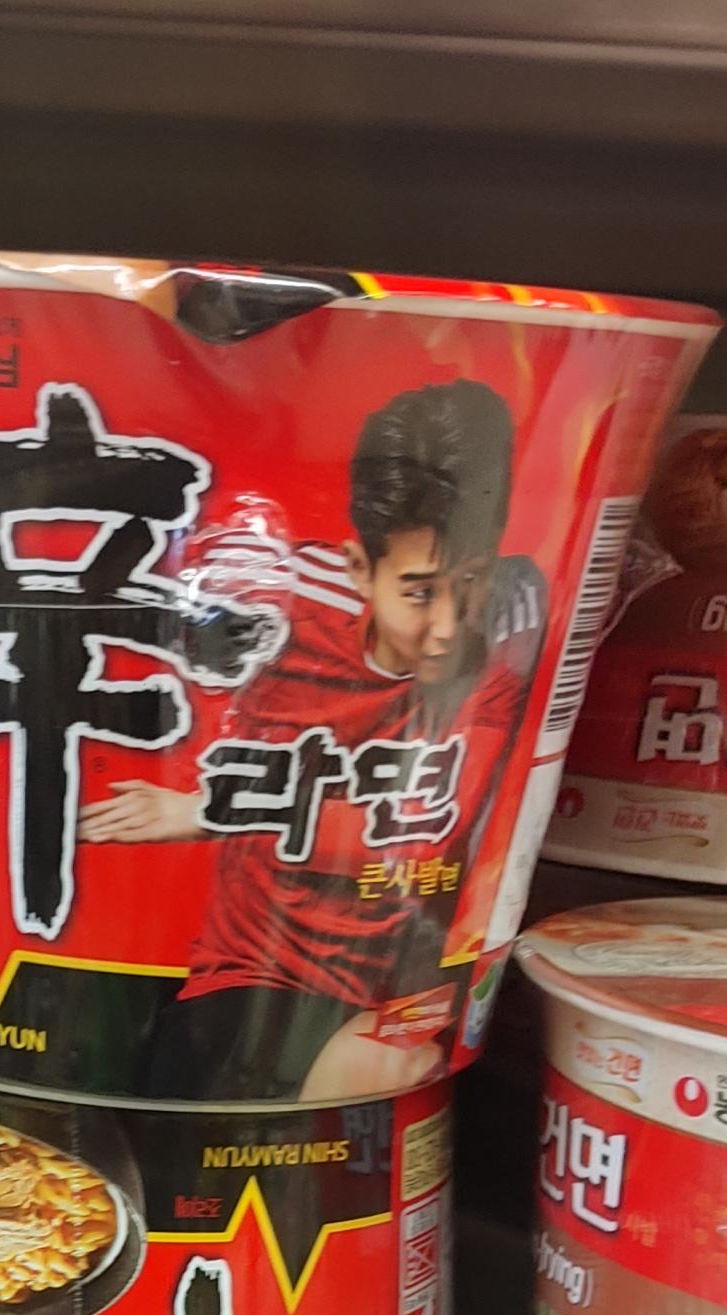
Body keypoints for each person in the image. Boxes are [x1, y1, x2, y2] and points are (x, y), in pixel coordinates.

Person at [78, 375, 544, 1099]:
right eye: (420, 592)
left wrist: (213, 810)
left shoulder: (500, 651)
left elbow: (428, 836)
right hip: (249, 979)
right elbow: (95, 590)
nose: (448, 626)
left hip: (402, 999)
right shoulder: (282, 613)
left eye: (472, 582)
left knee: (389, 1064)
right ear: (361, 570)